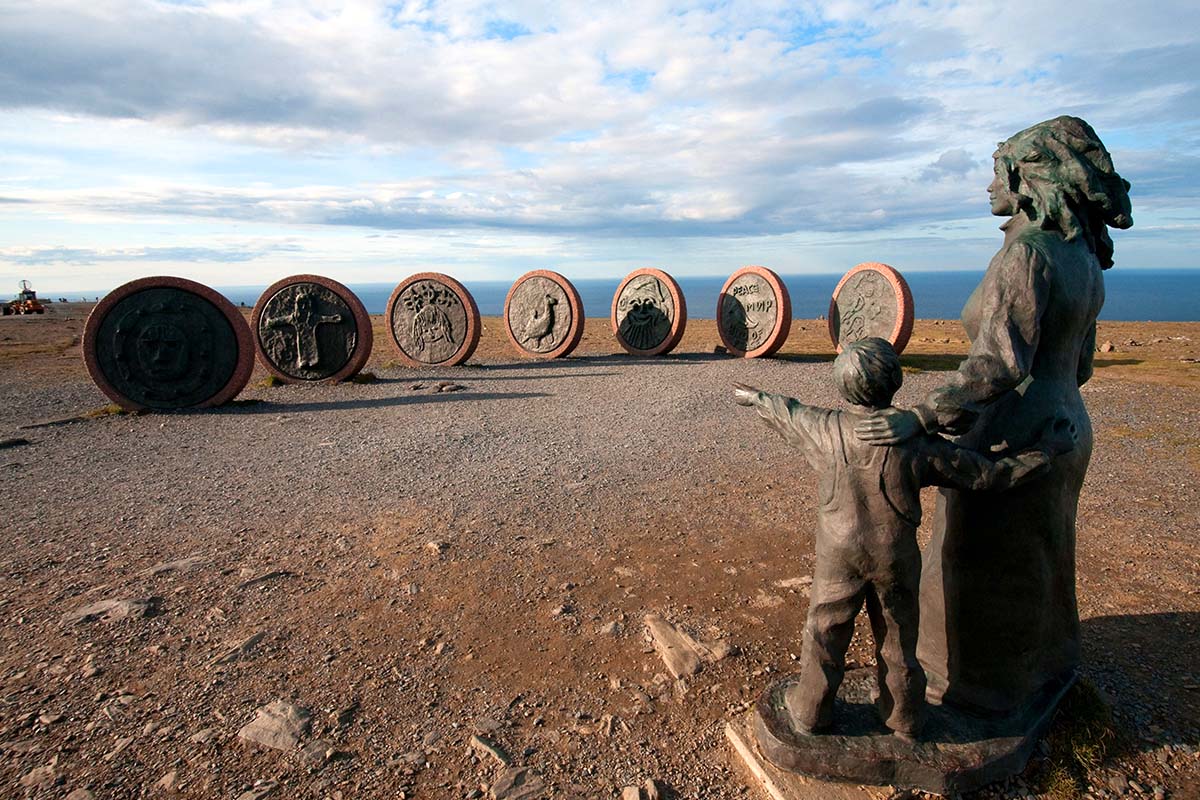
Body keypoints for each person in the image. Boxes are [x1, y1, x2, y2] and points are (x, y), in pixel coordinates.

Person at [854, 117, 1132, 716]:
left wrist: (922, 417)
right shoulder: (1082, 257)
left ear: (1028, 179)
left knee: (974, 559)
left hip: (1012, 433)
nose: (989, 187)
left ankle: (971, 693)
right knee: (1041, 554)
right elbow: (1079, 363)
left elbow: (997, 365)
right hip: (1065, 423)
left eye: (998, 173)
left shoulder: (1026, 257)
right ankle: (1041, 672)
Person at [734, 338, 1076, 740]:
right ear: (894, 382)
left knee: (824, 630)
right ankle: (904, 717)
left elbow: (788, 412)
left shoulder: (823, 427)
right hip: (892, 555)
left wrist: (756, 397)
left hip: (838, 553)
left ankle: (810, 711)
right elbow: (986, 474)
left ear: (841, 386)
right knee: (898, 638)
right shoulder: (915, 443)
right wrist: (1047, 452)